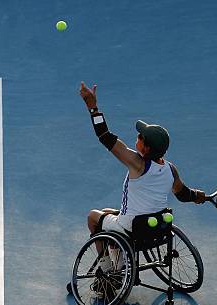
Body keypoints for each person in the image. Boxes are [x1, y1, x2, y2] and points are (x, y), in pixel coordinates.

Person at [79, 81, 207, 243]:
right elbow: (183, 194)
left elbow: (104, 136)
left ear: (146, 148)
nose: (137, 136)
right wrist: (196, 195)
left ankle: (106, 265)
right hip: (156, 225)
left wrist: (93, 107)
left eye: (140, 136)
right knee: (106, 212)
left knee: (93, 216)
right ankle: (116, 252)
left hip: (132, 227)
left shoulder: (137, 164)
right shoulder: (170, 169)